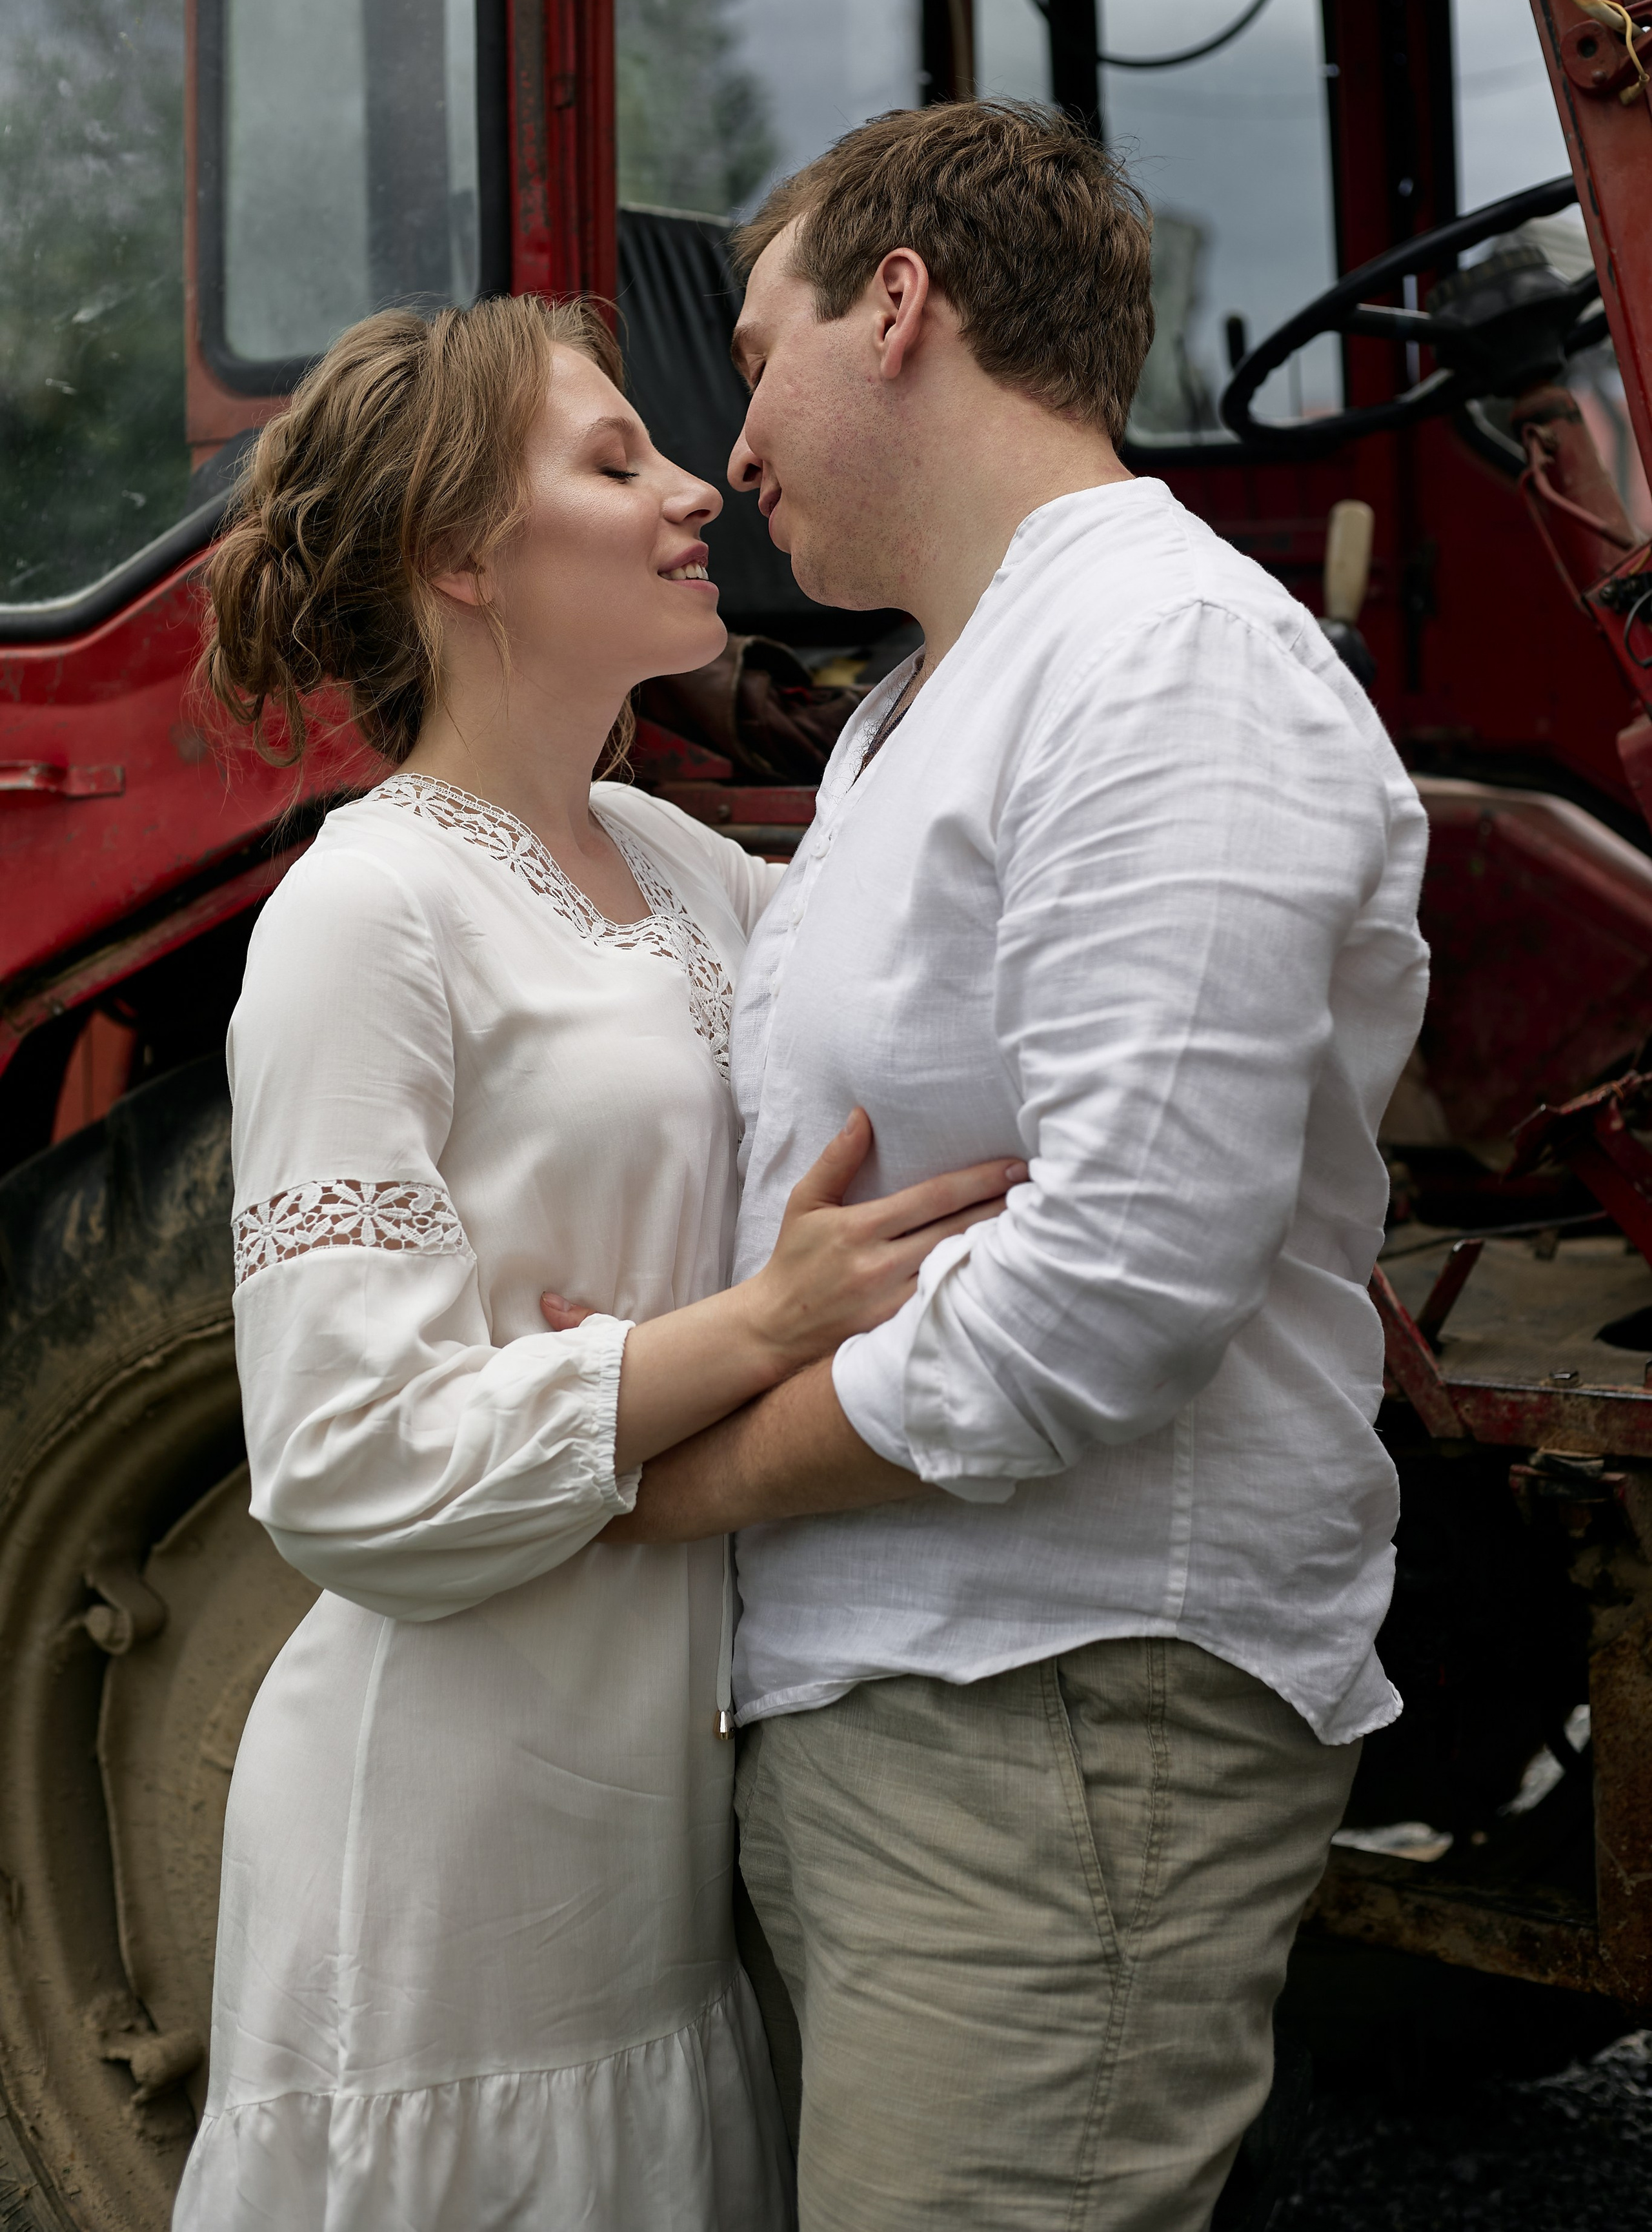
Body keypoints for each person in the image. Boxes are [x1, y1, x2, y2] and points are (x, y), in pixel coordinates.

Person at [625, 101, 1432, 2230]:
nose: (732, 449)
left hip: (1062, 1713)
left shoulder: (1165, 664)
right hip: (917, 1696)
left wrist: (684, 1474)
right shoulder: (926, 705)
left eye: (758, 349)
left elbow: (1119, 1283)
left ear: (900, 307)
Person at [171, 294, 1023, 2232]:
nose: (689, 494)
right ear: (460, 559)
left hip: (661, 1819)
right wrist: (760, 1324)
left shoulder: (682, 859)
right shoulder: (364, 913)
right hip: (450, 1846)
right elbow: (343, 1464)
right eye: (611, 461)